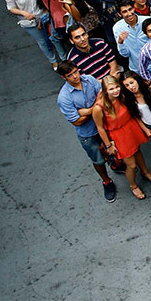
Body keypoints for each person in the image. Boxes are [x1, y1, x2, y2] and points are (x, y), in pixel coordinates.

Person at [56, 60, 117, 202]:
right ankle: (107, 181)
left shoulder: (89, 80)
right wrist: (94, 109)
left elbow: (103, 98)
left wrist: (87, 111)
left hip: (104, 125)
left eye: (75, 72)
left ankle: (115, 164)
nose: (75, 76)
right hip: (88, 134)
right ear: (64, 78)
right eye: (70, 75)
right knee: (98, 159)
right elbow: (76, 121)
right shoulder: (64, 97)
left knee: (113, 148)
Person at [91, 75, 151, 199]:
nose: (115, 90)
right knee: (131, 164)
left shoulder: (122, 97)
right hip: (118, 135)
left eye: (117, 87)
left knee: (138, 151)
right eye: (111, 89)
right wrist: (108, 145)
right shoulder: (99, 108)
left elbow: (133, 114)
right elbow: (100, 128)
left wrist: (145, 129)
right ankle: (133, 185)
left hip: (131, 127)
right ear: (105, 91)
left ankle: (145, 172)